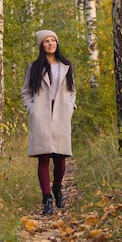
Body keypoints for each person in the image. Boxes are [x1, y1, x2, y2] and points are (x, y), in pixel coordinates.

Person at [22, 30, 76, 215]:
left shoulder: (66, 66)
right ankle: (47, 198)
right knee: (43, 158)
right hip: (41, 115)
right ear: (41, 45)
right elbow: (26, 92)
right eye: (46, 41)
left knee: (60, 159)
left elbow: (71, 90)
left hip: (61, 113)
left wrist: (70, 106)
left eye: (53, 40)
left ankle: (58, 187)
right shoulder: (34, 67)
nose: (51, 43)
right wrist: (32, 108)